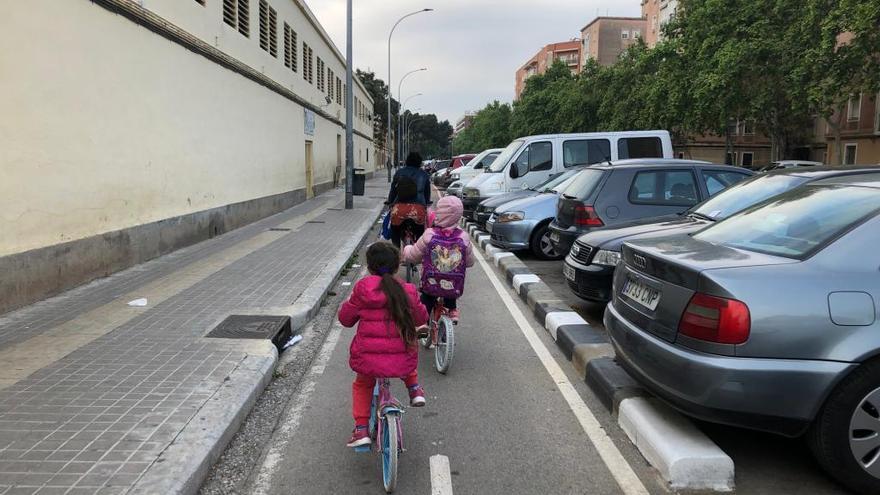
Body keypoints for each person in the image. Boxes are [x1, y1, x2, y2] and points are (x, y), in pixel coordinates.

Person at [338, 242, 429, 448]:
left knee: (363, 383)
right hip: (401, 357)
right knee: (405, 348)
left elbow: (345, 319)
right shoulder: (406, 290)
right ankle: (414, 389)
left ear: (369, 267)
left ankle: (361, 429)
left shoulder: (363, 289)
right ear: (398, 266)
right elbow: (421, 316)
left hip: (368, 356)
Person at [403, 195, 474, 324]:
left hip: (431, 281)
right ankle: (452, 310)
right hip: (454, 284)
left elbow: (414, 255)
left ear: (439, 214)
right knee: (450, 288)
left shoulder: (430, 234)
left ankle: (423, 324)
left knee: (427, 297)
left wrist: (407, 250)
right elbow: (470, 262)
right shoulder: (463, 237)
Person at [387, 152, 432, 249]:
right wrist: (427, 202)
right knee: (420, 231)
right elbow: (427, 193)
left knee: (394, 230)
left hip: (399, 209)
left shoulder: (399, 172)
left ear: (407, 161)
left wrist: (390, 202)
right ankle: (418, 252)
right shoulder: (424, 175)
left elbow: (393, 191)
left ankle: (396, 252)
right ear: (419, 162)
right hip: (417, 210)